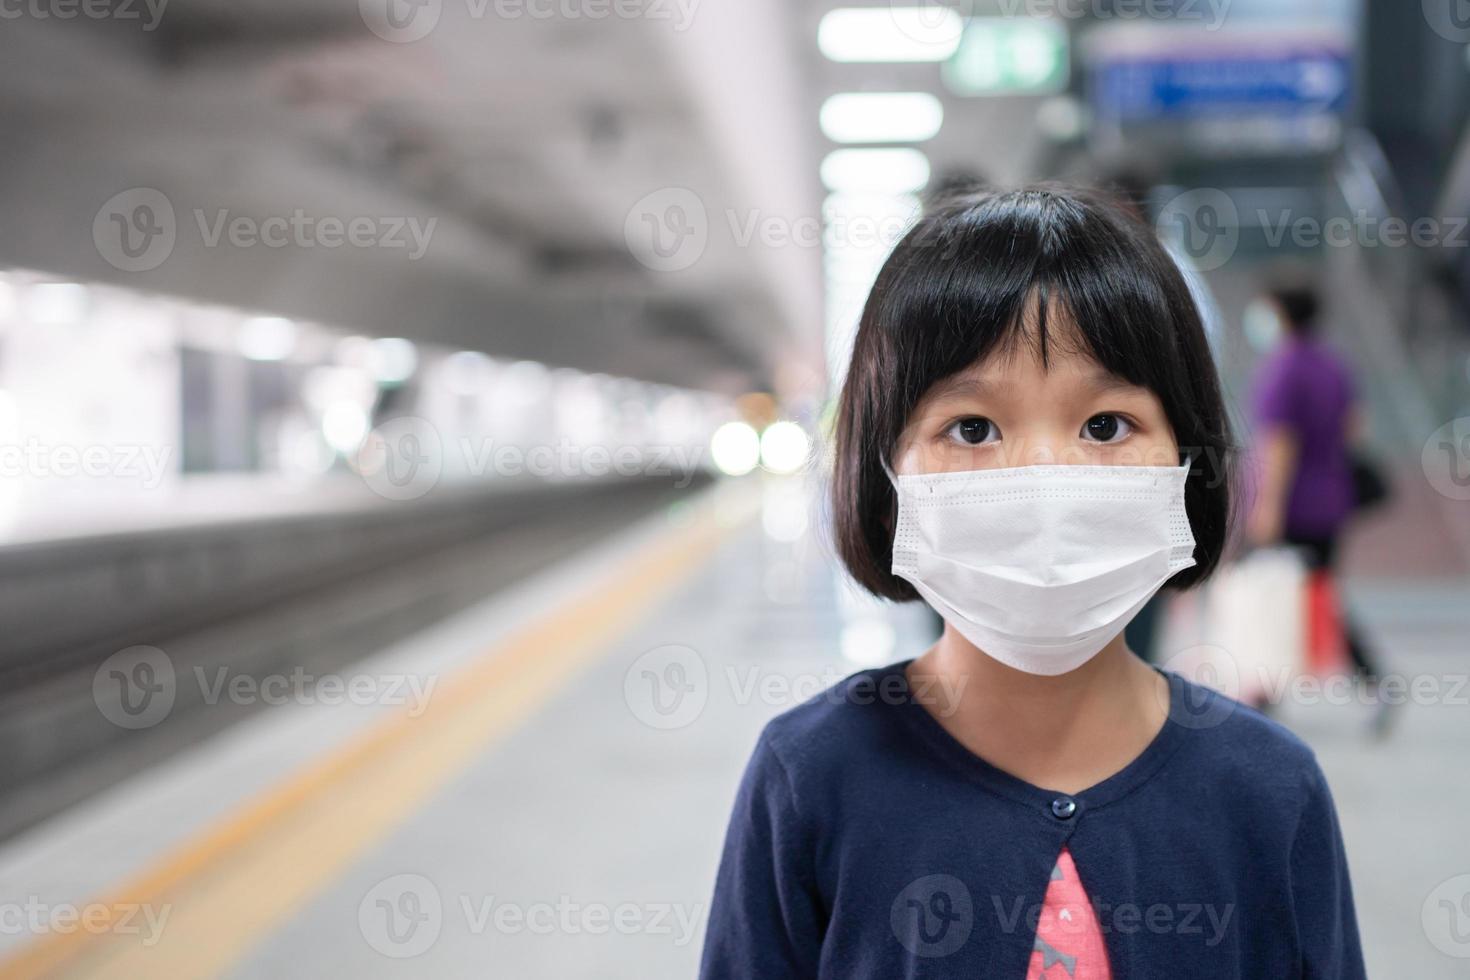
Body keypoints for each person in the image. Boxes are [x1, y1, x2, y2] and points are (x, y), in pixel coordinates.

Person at [699, 187, 1365, 978]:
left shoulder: (1268, 792)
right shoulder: (810, 781)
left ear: (1188, 470)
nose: (1045, 478)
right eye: (972, 429)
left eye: (1105, 426)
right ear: (883, 482)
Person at [1246, 284, 1385, 723]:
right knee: (1315, 592)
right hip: (1331, 500)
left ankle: (1267, 693)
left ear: (1279, 312)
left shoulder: (1284, 370)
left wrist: (1266, 506)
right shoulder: (1333, 365)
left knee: (1280, 593)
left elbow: (1279, 445)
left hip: (1294, 505)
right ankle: (1371, 681)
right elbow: (1354, 428)